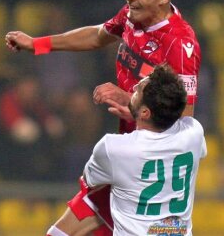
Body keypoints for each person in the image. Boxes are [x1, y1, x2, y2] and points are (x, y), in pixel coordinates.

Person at [5, 0, 201, 235]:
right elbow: (98, 35)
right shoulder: (133, 17)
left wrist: (132, 104)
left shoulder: (181, 45)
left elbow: (182, 124)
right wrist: (38, 44)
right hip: (127, 152)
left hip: (142, 171)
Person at [48, 65, 207, 235]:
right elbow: (188, 137)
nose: (133, 90)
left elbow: (91, 181)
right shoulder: (193, 132)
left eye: (137, 91)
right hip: (173, 230)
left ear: (145, 112)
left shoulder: (113, 148)